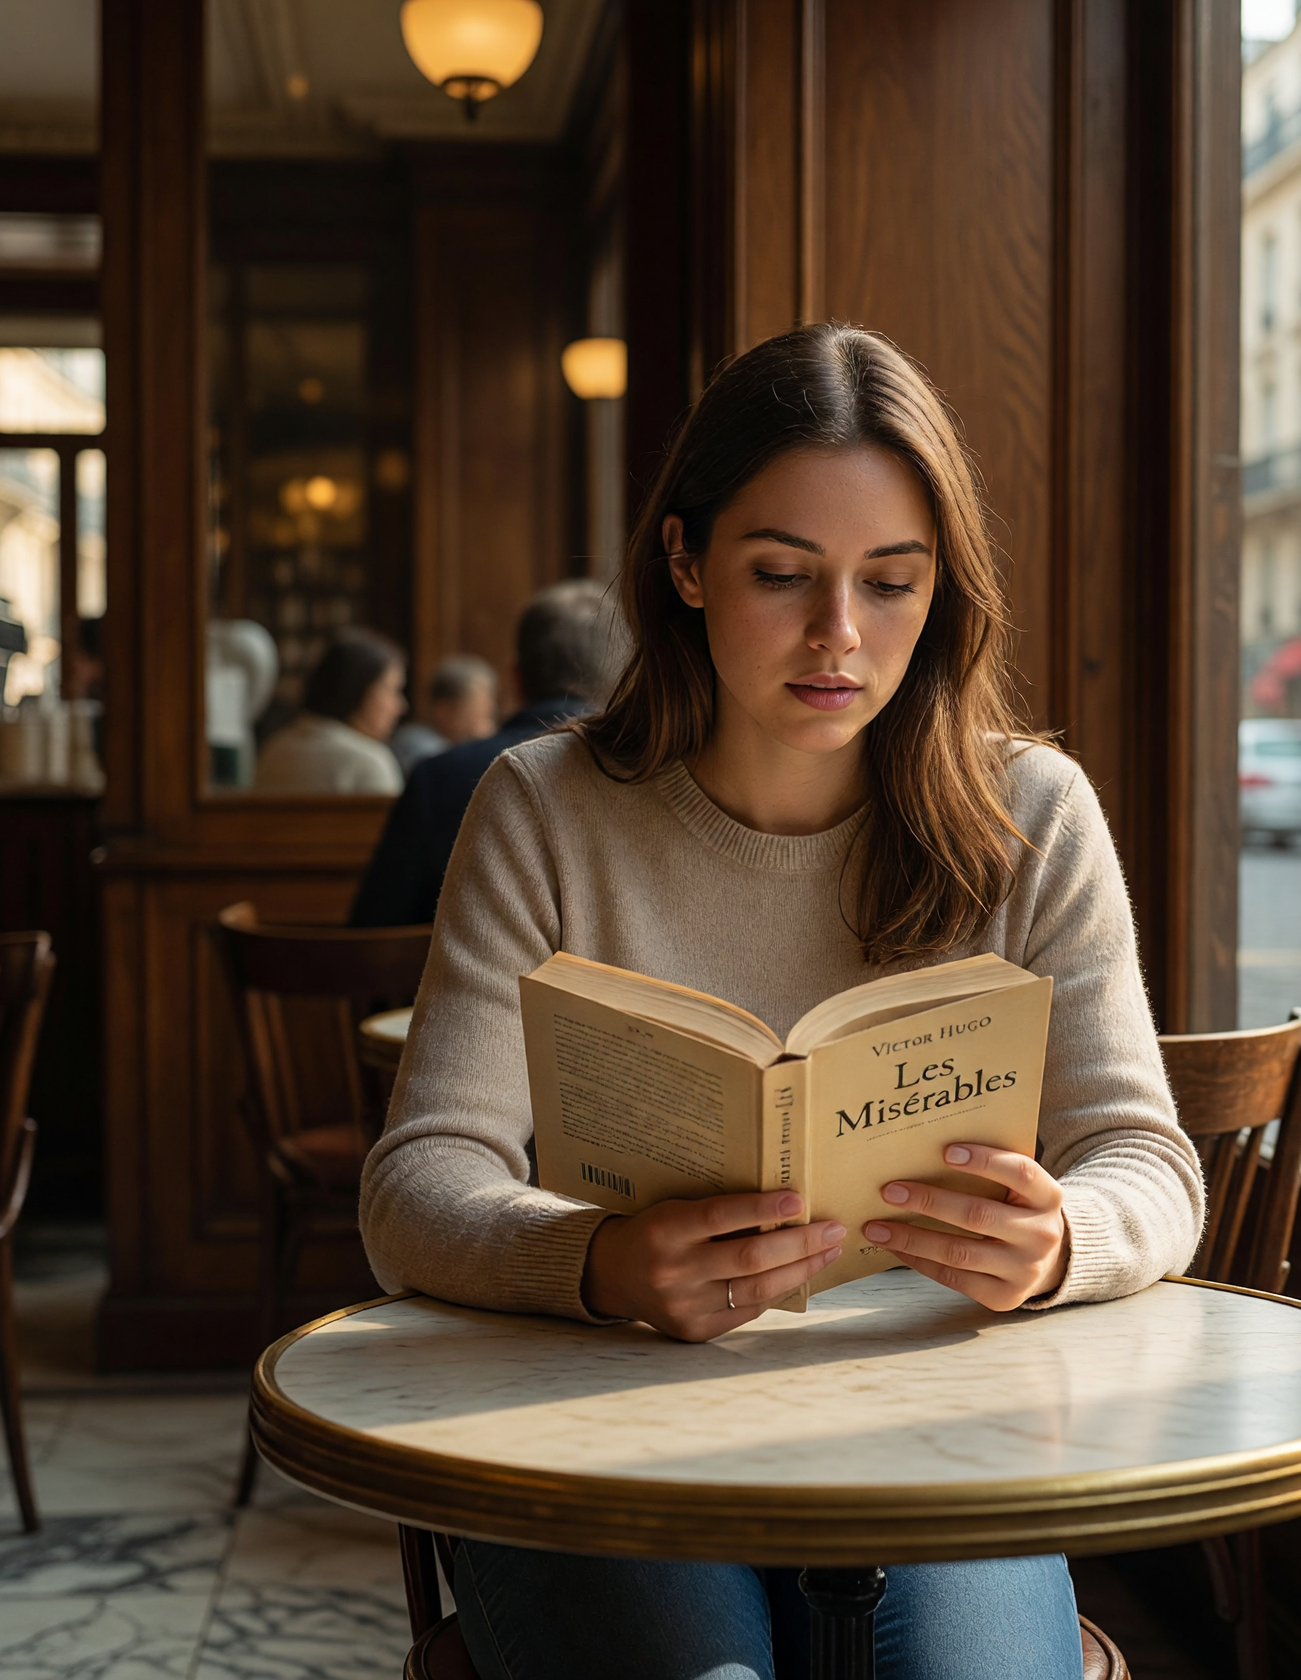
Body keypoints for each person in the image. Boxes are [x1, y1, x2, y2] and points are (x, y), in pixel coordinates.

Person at [357, 323, 1202, 1678]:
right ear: (685, 564)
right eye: (781, 575)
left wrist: (1063, 1240)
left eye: (891, 583)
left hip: (940, 1432)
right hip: (602, 1414)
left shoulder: (1029, 814)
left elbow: (1149, 1162)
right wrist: (597, 1265)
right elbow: (416, 1185)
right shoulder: (546, 810)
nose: (840, 637)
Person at [346, 582, 619, 929]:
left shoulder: (436, 778)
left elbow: (373, 929)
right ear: (618, 681)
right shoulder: (649, 777)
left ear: (516, 680)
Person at [251, 629, 407, 795]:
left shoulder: (274, 750)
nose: (400, 707)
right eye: (392, 691)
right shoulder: (368, 763)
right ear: (360, 691)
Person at [389, 653, 499, 777]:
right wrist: (479, 747)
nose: (485, 719)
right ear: (444, 710)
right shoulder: (414, 743)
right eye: (477, 710)